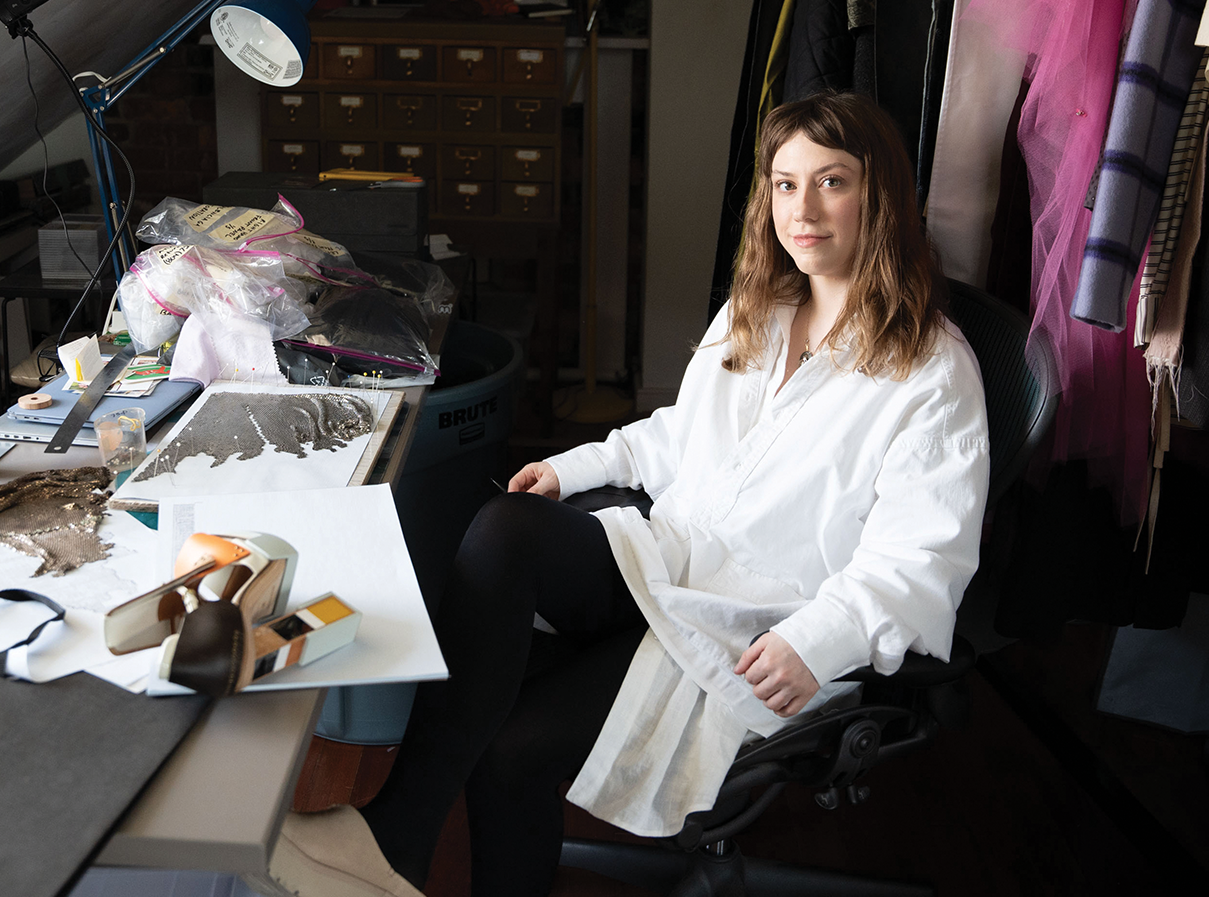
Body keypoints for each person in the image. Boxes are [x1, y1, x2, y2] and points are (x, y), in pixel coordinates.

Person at [270, 90, 990, 897]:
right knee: (508, 525)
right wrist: (573, 469)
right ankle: (395, 837)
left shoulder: (930, 370)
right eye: (785, 184)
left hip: (762, 624)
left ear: (880, 196)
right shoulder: (758, 312)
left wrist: (820, 640)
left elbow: (922, 559)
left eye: (832, 182)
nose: (804, 209)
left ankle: (394, 848)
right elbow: (681, 435)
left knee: (511, 749)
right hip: (673, 558)